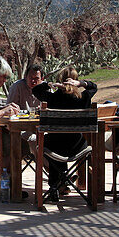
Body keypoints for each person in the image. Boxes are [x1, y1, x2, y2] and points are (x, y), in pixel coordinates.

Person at [32, 66, 98, 197]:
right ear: (76, 81)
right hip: (77, 147)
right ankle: (63, 181)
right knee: (62, 143)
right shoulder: (84, 98)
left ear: (60, 81)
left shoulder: (51, 98)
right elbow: (94, 87)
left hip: (54, 147)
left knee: (53, 144)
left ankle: (55, 186)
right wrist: (81, 84)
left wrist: (50, 84)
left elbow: (36, 90)